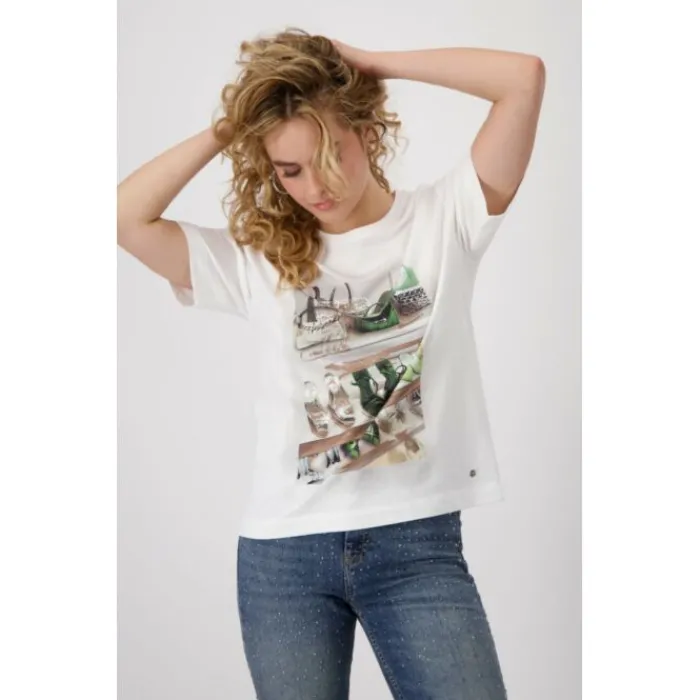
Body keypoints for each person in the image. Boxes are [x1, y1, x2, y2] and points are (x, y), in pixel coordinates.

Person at [118, 27, 545, 700]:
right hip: (283, 557)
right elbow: (125, 218)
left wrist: (373, 64)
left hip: (416, 547)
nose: (315, 185)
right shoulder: (256, 260)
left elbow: (522, 78)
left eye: (328, 155)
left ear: (367, 133)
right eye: (289, 169)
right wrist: (237, 122)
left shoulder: (446, 221)